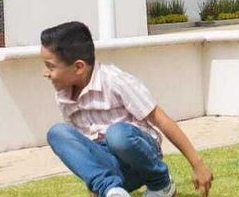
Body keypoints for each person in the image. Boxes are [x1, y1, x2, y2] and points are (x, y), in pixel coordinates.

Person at [40, 21, 213, 197]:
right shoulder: (63, 96)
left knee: (117, 135)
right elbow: (83, 147)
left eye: (50, 67)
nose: (45, 73)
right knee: (57, 133)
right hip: (113, 169)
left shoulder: (114, 80)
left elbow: (161, 119)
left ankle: (161, 184)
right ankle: (112, 190)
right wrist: (96, 185)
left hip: (140, 157)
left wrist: (197, 165)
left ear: (79, 67)